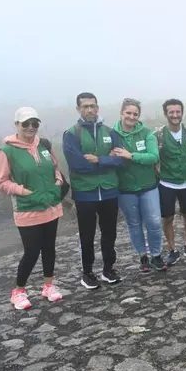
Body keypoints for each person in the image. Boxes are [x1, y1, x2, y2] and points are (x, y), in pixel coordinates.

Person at [0, 107, 64, 309]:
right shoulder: (7, 150)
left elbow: (55, 167)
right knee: (32, 251)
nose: (31, 127)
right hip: (27, 209)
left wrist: (58, 180)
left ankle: (48, 286)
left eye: (35, 123)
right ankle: (18, 291)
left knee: (49, 248)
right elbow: (1, 182)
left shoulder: (44, 144)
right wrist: (22, 191)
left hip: (50, 205)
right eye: (26, 123)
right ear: (17, 125)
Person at [63, 92, 124, 289]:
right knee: (86, 234)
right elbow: (77, 163)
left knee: (110, 232)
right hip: (85, 192)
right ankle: (88, 272)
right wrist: (107, 163)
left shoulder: (110, 132)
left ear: (98, 107)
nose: (89, 110)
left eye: (92, 106)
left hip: (109, 191)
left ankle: (108, 268)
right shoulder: (71, 134)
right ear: (78, 109)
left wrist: (99, 160)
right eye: (85, 106)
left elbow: (120, 159)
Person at [112, 98, 166, 272]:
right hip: (125, 188)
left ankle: (156, 255)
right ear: (121, 113)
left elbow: (153, 157)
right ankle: (143, 256)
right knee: (134, 224)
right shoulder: (112, 134)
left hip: (148, 186)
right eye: (128, 113)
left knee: (154, 222)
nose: (132, 116)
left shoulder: (146, 133)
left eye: (135, 114)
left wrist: (131, 156)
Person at [155, 98, 186, 265]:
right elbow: (154, 158)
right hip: (167, 183)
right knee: (167, 218)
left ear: (182, 112)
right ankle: (172, 249)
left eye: (177, 111)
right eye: (171, 112)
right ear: (166, 114)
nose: (175, 115)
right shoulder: (158, 135)